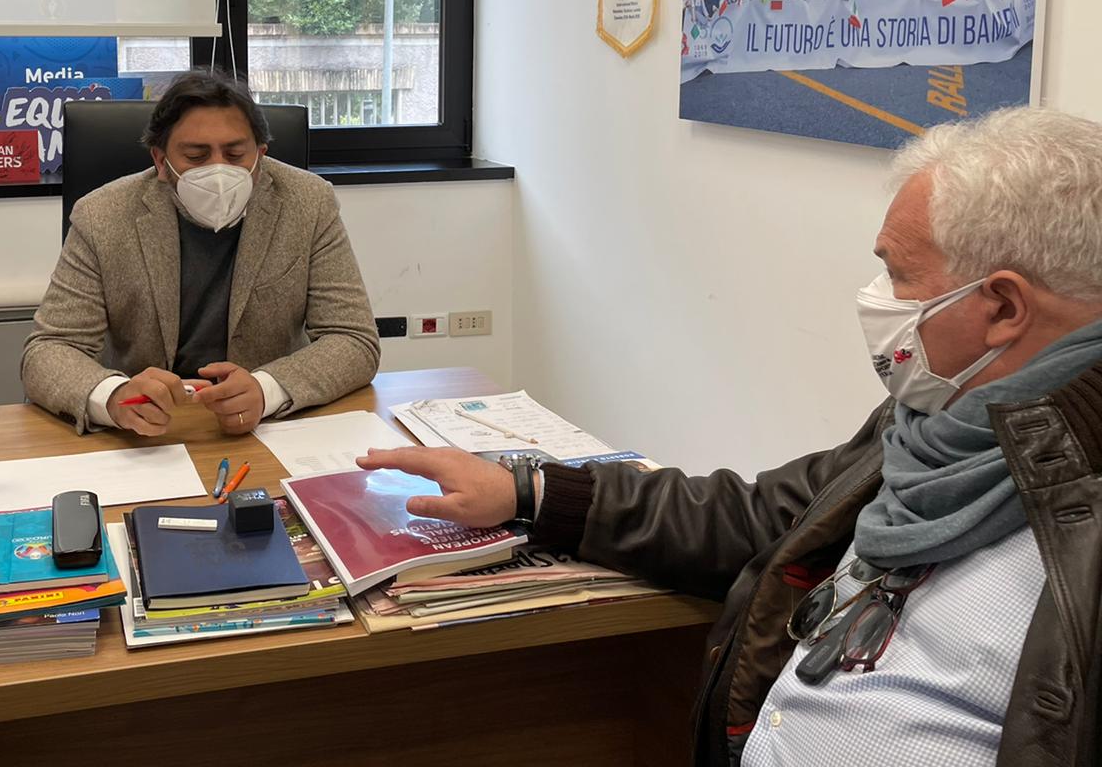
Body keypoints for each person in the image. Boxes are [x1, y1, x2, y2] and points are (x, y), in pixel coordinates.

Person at [359, 107, 1102, 765]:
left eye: (898, 274)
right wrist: (528, 490)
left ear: (1002, 309)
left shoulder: (1074, 523)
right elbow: (763, 518)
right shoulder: (933, 422)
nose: (878, 299)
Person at [22, 70, 379, 436]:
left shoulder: (309, 202)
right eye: (196, 156)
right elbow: (48, 350)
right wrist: (113, 398)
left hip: (266, 427)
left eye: (235, 154)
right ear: (161, 161)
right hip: (148, 431)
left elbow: (353, 339)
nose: (218, 171)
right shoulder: (102, 216)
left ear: (260, 156)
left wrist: (266, 389)